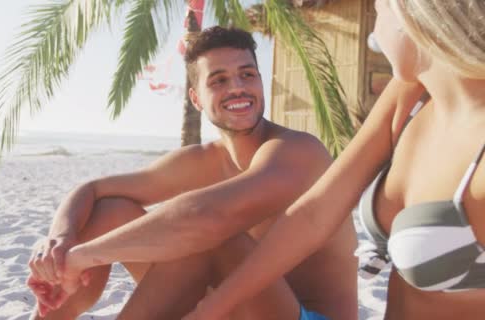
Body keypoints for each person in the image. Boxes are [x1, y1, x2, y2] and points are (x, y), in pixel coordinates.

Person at [27, 26, 359, 320]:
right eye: (219, 80)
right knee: (111, 210)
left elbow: (209, 217)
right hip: (227, 308)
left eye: (248, 74)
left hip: (305, 316)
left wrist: (82, 257)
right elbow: (94, 189)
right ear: (196, 98)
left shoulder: (296, 151)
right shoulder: (200, 161)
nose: (238, 88)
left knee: (212, 238)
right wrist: (59, 243)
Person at [182, 1, 485, 319]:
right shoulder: (409, 97)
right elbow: (316, 212)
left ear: (410, 15)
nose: (374, 31)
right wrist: (212, 307)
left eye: (379, 12)